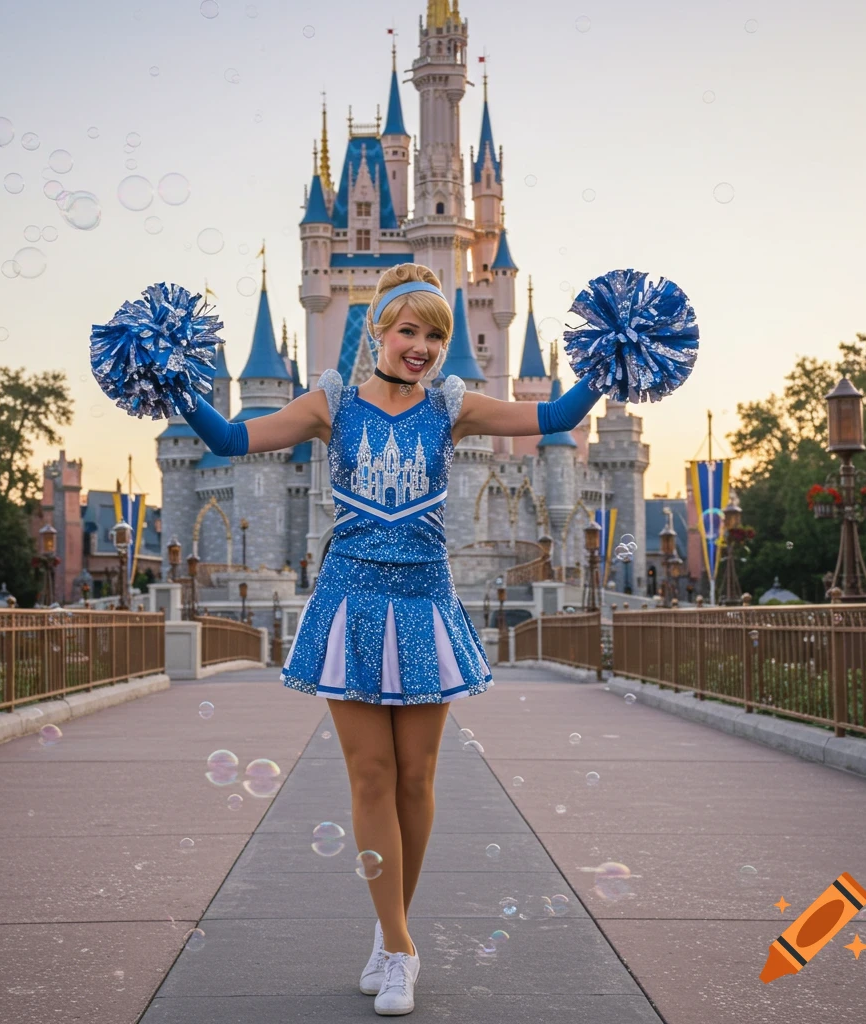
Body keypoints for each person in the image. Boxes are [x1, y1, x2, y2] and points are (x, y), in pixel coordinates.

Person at [180, 263, 600, 1015]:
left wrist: (611, 360)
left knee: (417, 777)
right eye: (410, 331)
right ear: (376, 329)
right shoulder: (330, 405)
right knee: (370, 777)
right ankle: (401, 948)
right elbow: (226, 434)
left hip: (424, 602)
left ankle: (388, 932)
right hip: (351, 601)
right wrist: (171, 375)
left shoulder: (452, 406)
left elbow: (556, 412)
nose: (424, 347)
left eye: (436, 336)